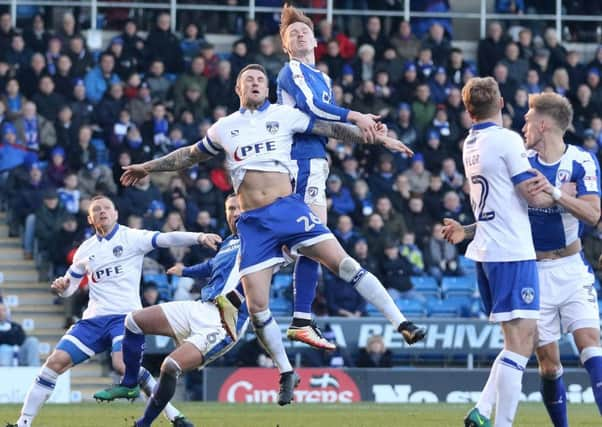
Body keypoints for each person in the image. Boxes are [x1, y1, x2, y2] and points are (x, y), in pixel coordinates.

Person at [119, 64, 426, 406]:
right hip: (252, 224)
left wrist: (377, 137)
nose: (255, 83)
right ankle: (285, 372)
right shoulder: (225, 128)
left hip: (288, 210)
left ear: (267, 89)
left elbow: (332, 130)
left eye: (260, 80)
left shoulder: (285, 115)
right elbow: (188, 156)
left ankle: (401, 322)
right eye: (248, 79)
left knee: (344, 264)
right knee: (256, 305)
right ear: (238, 88)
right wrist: (147, 167)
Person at [6, 195, 222, 427]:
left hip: (126, 319)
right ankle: (23, 423)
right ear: (90, 219)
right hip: (93, 320)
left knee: (122, 365)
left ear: (116, 213)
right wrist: (62, 288)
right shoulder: (85, 250)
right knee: (54, 363)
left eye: (107, 207)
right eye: (96, 209)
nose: (102, 211)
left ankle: (173, 415)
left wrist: (199, 236)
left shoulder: (131, 237)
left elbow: (167, 238)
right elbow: (70, 287)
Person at [441, 77, 553, 427]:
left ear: (468, 109)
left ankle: (481, 410)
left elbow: (500, 200)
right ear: (502, 102)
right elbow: (528, 194)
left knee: (521, 339)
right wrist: (558, 193)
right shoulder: (507, 140)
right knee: (521, 344)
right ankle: (500, 423)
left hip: (489, 249)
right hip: (512, 251)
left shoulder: (469, 144)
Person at [276, 5, 386, 350]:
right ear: (286, 46)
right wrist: (356, 115)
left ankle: (300, 319)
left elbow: (330, 126)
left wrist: (374, 134)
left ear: (315, 40)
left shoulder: (323, 78)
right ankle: (296, 317)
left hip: (317, 162)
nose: (299, 34)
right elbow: (313, 111)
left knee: (306, 246)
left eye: (304, 30)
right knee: (313, 241)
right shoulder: (290, 71)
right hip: (300, 161)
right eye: (292, 33)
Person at [94, 195, 250, 427]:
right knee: (133, 321)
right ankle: (129, 384)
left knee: (170, 366)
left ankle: (144, 423)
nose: (234, 212)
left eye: (239, 208)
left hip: (225, 321)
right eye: (230, 208)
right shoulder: (229, 242)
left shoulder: (262, 240)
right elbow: (211, 266)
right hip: (200, 306)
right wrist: (185, 271)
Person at [524, 94, 600, 426]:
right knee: (549, 365)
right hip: (535, 272)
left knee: (591, 347)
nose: (523, 125)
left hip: (572, 269)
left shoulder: (582, 161)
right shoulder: (520, 161)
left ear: (544, 124)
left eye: (528, 119)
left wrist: (555, 193)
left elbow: (594, 214)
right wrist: (467, 230)